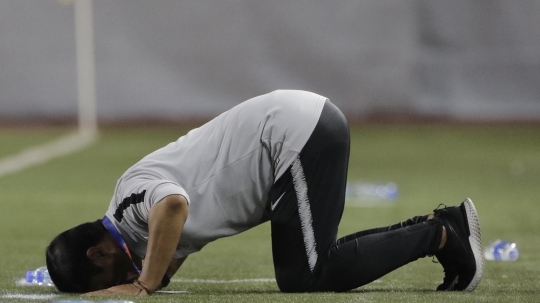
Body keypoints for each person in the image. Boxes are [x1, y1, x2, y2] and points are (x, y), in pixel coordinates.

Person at [45, 90, 484, 296]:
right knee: (310, 266)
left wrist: (142, 286)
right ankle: (440, 228)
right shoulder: (136, 232)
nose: (116, 285)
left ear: (99, 254)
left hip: (294, 135)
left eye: (107, 281)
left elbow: (174, 205)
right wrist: (155, 278)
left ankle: (441, 233)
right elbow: (173, 246)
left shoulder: (127, 201)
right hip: (293, 139)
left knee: (306, 277)